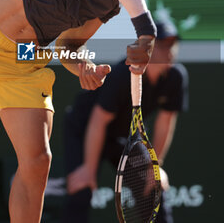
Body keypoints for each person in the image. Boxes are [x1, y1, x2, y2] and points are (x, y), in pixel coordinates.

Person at [0, 0, 172, 223]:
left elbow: (68, 46)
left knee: (39, 161)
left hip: (23, 61)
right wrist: (145, 31)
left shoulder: (109, 3)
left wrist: (83, 66)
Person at [62, 21, 189, 223]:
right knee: (81, 189)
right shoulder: (124, 73)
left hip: (125, 136)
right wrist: (88, 168)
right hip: (86, 130)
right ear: (148, 49)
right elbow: (98, 121)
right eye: (164, 44)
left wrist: (155, 166)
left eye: (173, 44)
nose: (170, 50)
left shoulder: (176, 77)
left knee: (153, 185)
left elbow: (165, 123)